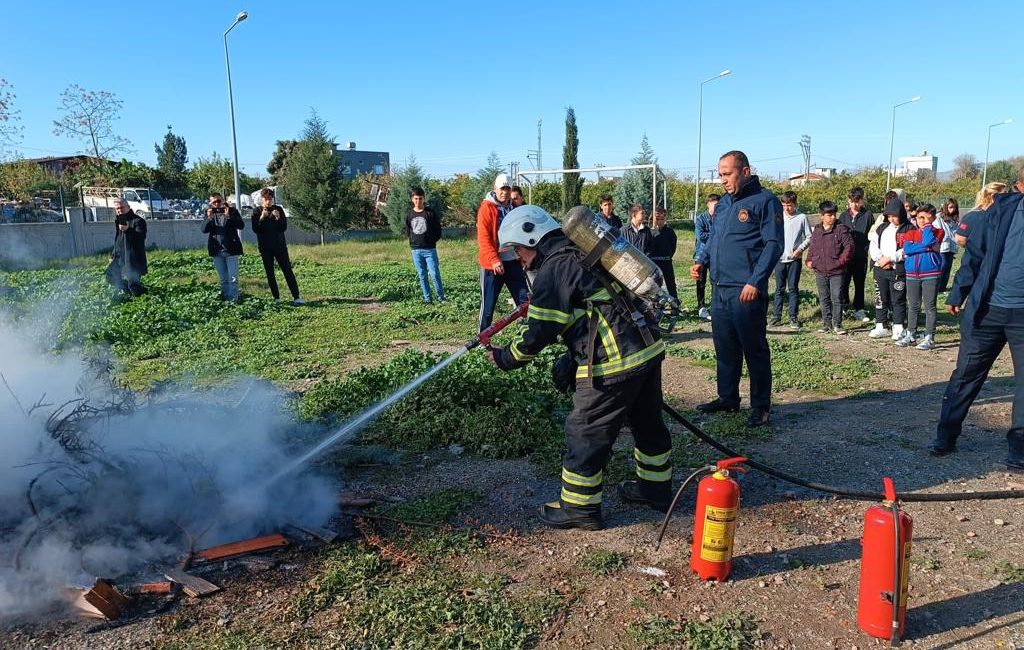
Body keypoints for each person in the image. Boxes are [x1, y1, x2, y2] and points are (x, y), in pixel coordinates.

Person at [488, 205, 671, 530]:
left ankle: (579, 508)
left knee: (585, 431)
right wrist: (571, 358)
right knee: (648, 424)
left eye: (517, 249)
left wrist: (506, 357)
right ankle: (655, 490)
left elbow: (540, 331)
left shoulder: (554, 269)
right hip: (645, 348)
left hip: (614, 363)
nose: (518, 258)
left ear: (532, 237)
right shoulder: (580, 252)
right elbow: (587, 313)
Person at [930, 167, 1024, 472]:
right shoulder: (999, 211)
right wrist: (959, 292)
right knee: (967, 373)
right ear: (1021, 185)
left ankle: (1019, 447)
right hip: (988, 308)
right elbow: (974, 256)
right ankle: (946, 435)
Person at [690, 151, 783, 427]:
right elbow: (712, 240)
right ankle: (728, 398)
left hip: (746, 290)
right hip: (719, 289)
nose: (722, 180)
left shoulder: (765, 201)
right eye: (720, 174)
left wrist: (755, 281)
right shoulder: (722, 206)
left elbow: (773, 244)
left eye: (727, 174)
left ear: (745, 171)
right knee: (725, 348)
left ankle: (761, 406)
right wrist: (701, 261)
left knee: (754, 349)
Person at [476, 173, 528, 331]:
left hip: (512, 261)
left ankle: (531, 334)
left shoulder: (514, 208)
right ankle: (482, 337)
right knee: (488, 304)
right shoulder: (486, 208)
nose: (504, 192)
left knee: (524, 300)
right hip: (493, 265)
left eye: (507, 189)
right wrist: (494, 259)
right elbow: (483, 237)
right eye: (502, 189)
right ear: (495, 189)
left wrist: (524, 255)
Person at [896, 203, 943, 350]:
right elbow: (907, 249)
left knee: (930, 306)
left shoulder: (938, 232)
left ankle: (929, 337)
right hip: (912, 273)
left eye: (924, 218)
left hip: (930, 273)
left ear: (931, 218)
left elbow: (929, 241)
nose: (920, 221)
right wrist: (926, 247)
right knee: (913, 306)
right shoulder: (911, 232)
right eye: (918, 217)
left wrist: (928, 228)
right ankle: (911, 334)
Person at [867, 198, 913, 340]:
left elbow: (908, 248)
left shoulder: (910, 229)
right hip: (880, 269)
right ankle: (881, 324)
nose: (892, 219)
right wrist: (880, 259)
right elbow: (873, 244)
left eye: (895, 216)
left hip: (897, 270)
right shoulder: (882, 228)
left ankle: (898, 326)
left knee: (897, 298)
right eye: (889, 216)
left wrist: (891, 258)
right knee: (881, 297)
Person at [805, 200, 853, 334]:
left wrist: (840, 262)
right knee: (824, 297)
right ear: (822, 216)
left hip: (837, 271)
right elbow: (813, 247)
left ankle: (837, 324)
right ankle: (826, 323)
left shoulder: (841, 229)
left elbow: (849, 248)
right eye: (829, 215)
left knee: (836, 297)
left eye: (834, 214)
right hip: (820, 270)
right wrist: (810, 260)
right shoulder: (817, 230)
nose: (832, 217)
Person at [251, 188, 304, 305]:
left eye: (270, 199)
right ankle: (276, 298)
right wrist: (262, 217)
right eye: (266, 199)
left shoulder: (278, 209)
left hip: (279, 246)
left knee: (287, 270)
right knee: (270, 272)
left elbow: (283, 228)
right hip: (265, 247)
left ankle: (296, 296)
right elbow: (256, 229)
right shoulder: (256, 211)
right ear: (261, 199)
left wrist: (278, 217)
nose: (268, 202)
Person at [771, 191, 811, 327]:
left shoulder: (802, 217)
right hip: (779, 259)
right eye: (784, 205)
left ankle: (793, 317)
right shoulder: (778, 217)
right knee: (779, 289)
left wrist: (800, 249)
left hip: (794, 259)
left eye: (789, 205)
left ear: (795, 204)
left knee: (793, 288)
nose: (787, 208)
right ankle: (777, 317)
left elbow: (809, 237)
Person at [838, 187, 874, 322]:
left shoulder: (868, 215)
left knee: (859, 283)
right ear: (849, 201)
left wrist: (865, 249)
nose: (855, 204)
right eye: (853, 201)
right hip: (846, 257)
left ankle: (859, 309)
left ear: (862, 201)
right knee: (844, 282)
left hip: (860, 256)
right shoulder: (843, 216)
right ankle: (844, 306)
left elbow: (871, 234)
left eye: (858, 201)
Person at [404, 186, 445, 304]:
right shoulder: (409, 215)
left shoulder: (430, 213)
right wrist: (413, 242)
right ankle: (427, 298)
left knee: (434, 274)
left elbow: (438, 230)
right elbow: (408, 231)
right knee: (422, 275)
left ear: (424, 199)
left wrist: (431, 241)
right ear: (412, 199)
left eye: (420, 198)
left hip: (430, 250)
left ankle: (441, 297)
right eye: (416, 198)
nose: (418, 201)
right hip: (416, 250)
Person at [202, 193, 245, 302]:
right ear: (210, 204)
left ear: (223, 200)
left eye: (219, 201)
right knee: (223, 278)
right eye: (214, 202)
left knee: (233, 278)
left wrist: (229, 217)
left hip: (231, 249)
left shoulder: (232, 211)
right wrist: (209, 219)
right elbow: (203, 230)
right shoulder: (209, 213)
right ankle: (225, 297)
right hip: (216, 250)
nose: (217, 204)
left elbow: (241, 225)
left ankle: (233, 299)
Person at [105, 198, 148, 297]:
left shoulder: (138, 221)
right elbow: (118, 240)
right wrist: (113, 255)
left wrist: (128, 230)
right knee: (110, 276)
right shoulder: (119, 221)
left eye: (122, 207)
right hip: (120, 257)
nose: (120, 210)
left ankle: (142, 298)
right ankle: (129, 292)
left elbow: (141, 238)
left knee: (133, 285)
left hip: (133, 258)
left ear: (128, 207)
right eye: (117, 208)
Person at [955, 182, 1007, 249]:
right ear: (992, 197)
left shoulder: (1004, 216)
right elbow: (960, 239)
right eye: (1004, 197)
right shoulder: (971, 217)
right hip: (979, 258)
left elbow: (959, 239)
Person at [693, 194, 720, 321]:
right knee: (700, 282)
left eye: (717, 205)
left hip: (716, 255)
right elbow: (701, 236)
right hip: (702, 254)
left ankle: (715, 306)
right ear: (708, 204)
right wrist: (715, 235)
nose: (715, 207)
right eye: (713, 204)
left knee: (715, 281)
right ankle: (701, 306)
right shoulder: (700, 218)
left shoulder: (721, 218)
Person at [649, 206, 678, 300]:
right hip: (654, 262)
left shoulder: (669, 232)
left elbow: (673, 246)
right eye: (657, 219)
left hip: (666, 261)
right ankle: (656, 304)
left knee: (671, 284)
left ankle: (675, 304)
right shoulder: (649, 232)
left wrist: (668, 255)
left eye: (662, 219)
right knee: (655, 285)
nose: (660, 221)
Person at [937, 198, 960, 292]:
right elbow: (939, 231)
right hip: (943, 246)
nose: (952, 210)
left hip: (951, 246)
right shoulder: (939, 218)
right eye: (950, 207)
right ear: (946, 207)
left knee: (948, 268)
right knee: (942, 266)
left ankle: (942, 287)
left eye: (954, 208)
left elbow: (956, 232)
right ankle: (937, 287)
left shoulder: (954, 220)